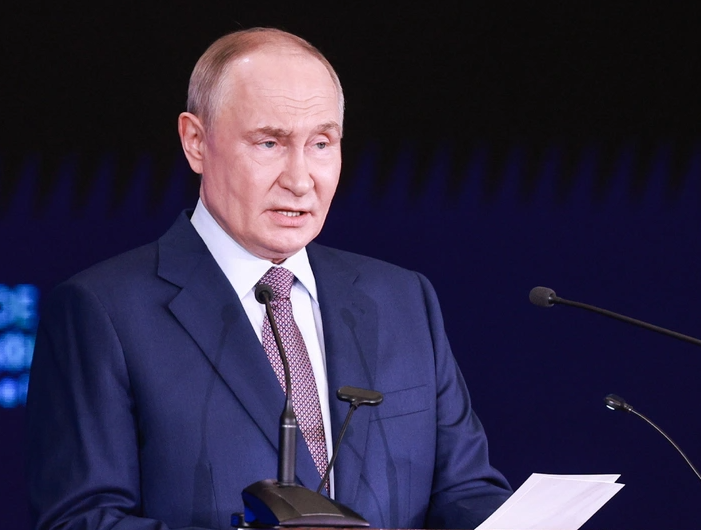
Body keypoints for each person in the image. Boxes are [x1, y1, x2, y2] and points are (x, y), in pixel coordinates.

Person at [26, 28, 511, 530]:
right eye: (269, 143)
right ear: (196, 142)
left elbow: (465, 491)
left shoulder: (403, 298)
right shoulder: (102, 311)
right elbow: (81, 519)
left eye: (321, 143)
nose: (300, 180)